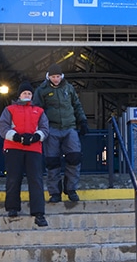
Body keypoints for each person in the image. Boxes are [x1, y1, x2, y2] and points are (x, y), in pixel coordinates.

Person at [33, 63, 89, 203]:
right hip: (51, 128)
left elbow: (76, 105)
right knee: (52, 161)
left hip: (69, 127)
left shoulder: (68, 88)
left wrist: (82, 121)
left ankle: (71, 189)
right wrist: (38, 128)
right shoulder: (42, 90)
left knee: (74, 157)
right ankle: (55, 193)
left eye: (58, 76)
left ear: (61, 76)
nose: (56, 79)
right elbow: (37, 110)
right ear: (48, 76)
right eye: (53, 76)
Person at [0, 80, 50, 226]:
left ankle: (39, 213)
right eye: (24, 93)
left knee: (36, 180)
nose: (27, 95)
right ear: (19, 95)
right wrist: (17, 137)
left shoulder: (39, 111)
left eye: (29, 93)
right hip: (13, 148)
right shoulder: (9, 109)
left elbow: (45, 128)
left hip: (34, 149)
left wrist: (35, 137)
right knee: (13, 179)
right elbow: (3, 127)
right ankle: (12, 208)